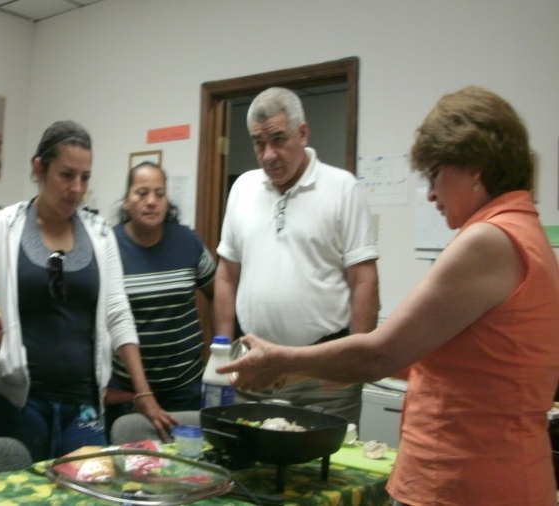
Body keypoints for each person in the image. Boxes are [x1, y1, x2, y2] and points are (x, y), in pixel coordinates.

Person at [220, 86, 559, 506]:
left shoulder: (488, 240)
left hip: (465, 481)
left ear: (475, 166)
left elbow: (383, 354)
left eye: (435, 173)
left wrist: (285, 361)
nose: (431, 193)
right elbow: (432, 357)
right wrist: (307, 367)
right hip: (487, 473)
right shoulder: (524, 231)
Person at [0, 120, 178, 461]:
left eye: (85, 177)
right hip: (19, 403)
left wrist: (143, 391)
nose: (77, 188)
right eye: (67, 175)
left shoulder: (99, 233)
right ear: (39, 168)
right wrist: (2, 343)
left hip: (83, 404)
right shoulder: (4, 227)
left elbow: (117, 311)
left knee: (84, 493)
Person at [212, 86, 380, 425]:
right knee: (250, 466)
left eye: (278, 139)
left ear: (302, 133)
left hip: (322, 374)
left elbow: (364, 280)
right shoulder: (243, 188)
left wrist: (354, 362)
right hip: (253, 366)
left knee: (327, 474)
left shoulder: (342, 188)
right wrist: (222, 351)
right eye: (259, 143)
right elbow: (226, 275)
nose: (268, 154)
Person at [104, 162, 216, 438]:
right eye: (142, 193)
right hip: (128, 390)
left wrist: (219, 351)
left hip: (186, 386)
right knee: (133, 465)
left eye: (159, 194)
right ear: (127, 202)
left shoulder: (187, 241)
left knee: (186, 467)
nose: (151, 202)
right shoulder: (108, 245)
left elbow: (217, 294)